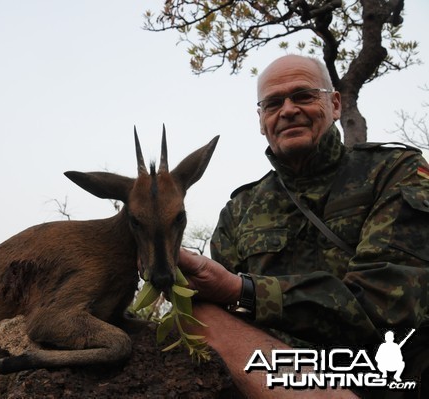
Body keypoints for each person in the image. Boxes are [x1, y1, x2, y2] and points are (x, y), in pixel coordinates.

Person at [178, 54, 429, 398]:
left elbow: (384, 306)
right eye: (273, 103)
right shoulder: (239, 210)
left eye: (303, 96)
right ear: (261, 119)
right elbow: (229, 326)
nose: (288, 110)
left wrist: (243, 291)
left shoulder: (395, 172)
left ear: (335, 104)